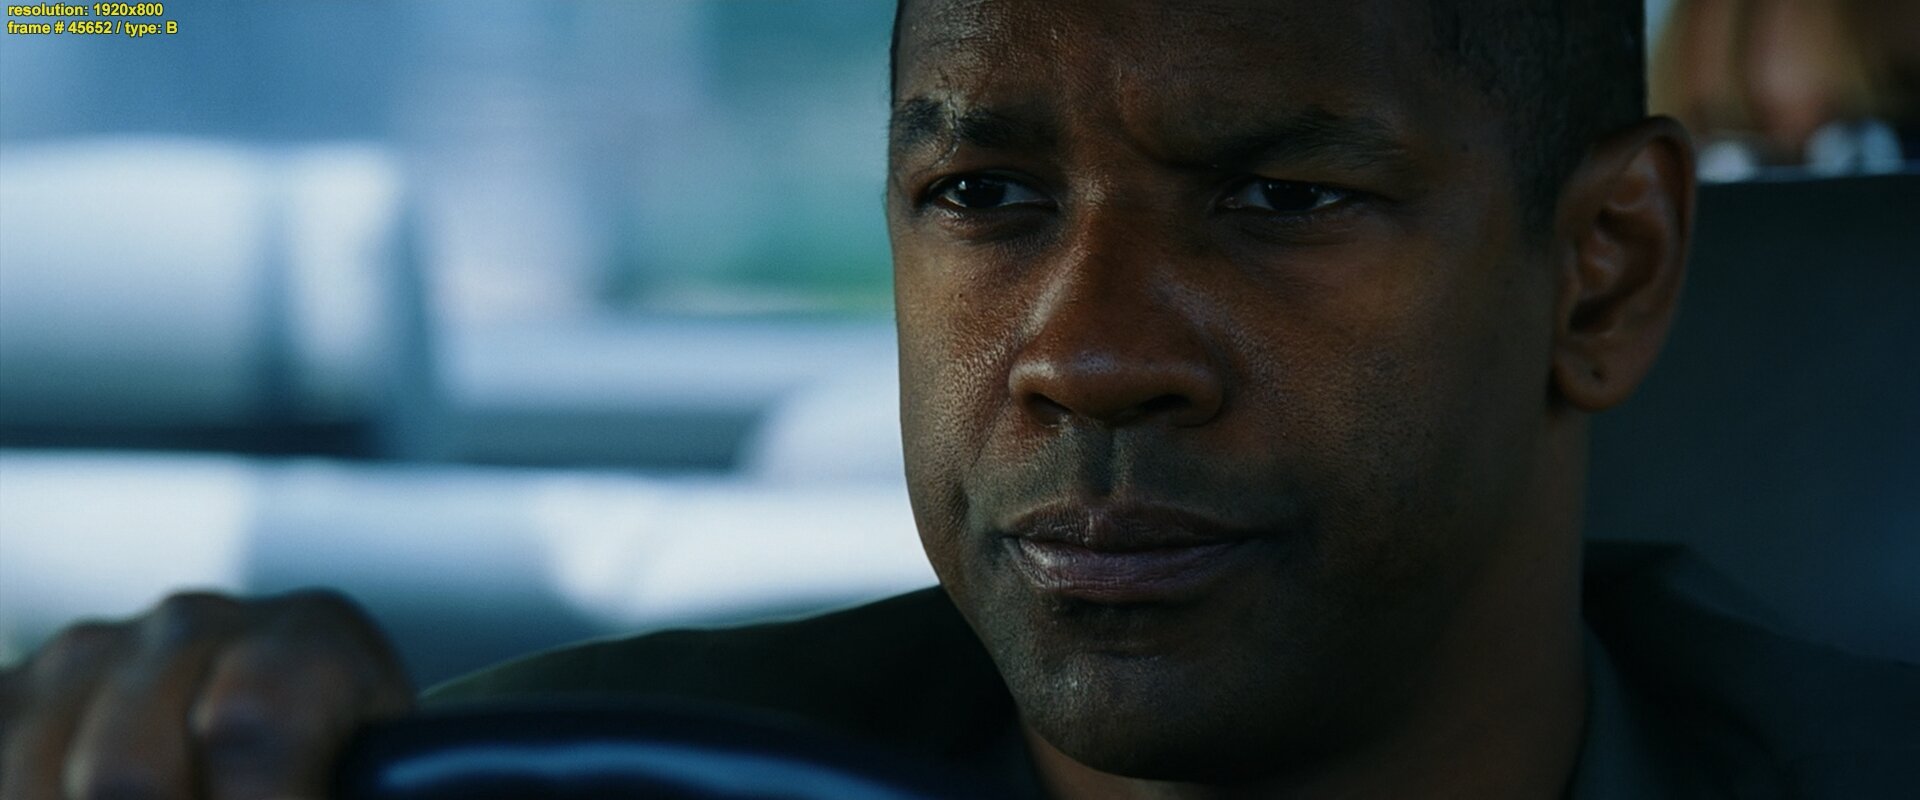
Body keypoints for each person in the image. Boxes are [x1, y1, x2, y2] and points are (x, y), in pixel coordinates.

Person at [3, 1, 1915, 797]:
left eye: (1279, 197)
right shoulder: (583, 782)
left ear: (1605, 270)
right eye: (986, 196)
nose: (1087, 354)